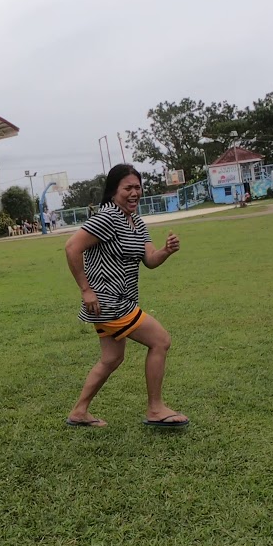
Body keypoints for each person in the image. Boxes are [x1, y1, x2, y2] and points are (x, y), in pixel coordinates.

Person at [63, 164, 187, 429]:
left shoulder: (136, 222)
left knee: (112, 358)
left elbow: (150, 260)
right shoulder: (107, 217)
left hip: (122, 301)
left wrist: (166, 250)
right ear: (113, 191)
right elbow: (72, 247)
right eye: (127, 188)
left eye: (137, 187)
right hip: (108, 302)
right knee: (161, 341)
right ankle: (155, 409)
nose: (134, 193)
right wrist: (85, 290)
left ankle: (79, 412)